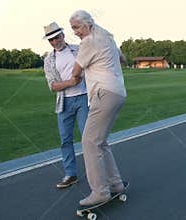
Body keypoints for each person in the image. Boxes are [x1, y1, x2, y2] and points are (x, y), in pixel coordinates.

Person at [68, 10, 127, 206]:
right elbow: (123, 59)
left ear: (87, 24)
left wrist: (74, 79)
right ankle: (116, 184)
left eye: (76, 27)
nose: (75, 32)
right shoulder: (106, 35)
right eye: (72, 28)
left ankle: (100, 192)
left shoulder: (89, 41)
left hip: (103, 93)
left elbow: (76, 70)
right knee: (100, 142)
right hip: (118, 92)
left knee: (89, 142)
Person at [43, 22, 89, 189]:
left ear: (63, 34)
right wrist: (71, 81)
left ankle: (95, 173)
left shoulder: (78, 50)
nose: (55, 42)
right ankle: (71, 174)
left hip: (84, 98)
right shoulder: (49, 60)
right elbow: (52, 86)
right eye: (51, 40)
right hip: (64, 103)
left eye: (56, 37)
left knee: (88, 139)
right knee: (65, 140)